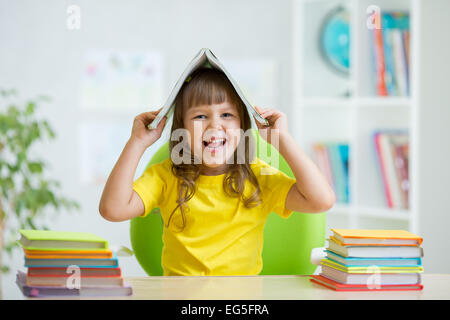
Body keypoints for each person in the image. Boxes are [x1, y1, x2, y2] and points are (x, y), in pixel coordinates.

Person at [99, 67, 335, 276]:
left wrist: (282, 139)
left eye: (227, 115)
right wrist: (137, 142)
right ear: (182, 129)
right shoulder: (166, 176)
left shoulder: (259, 177)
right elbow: (113, 209)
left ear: (242, 126)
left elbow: (321, 201)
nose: (214, 125)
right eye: (200, 116)